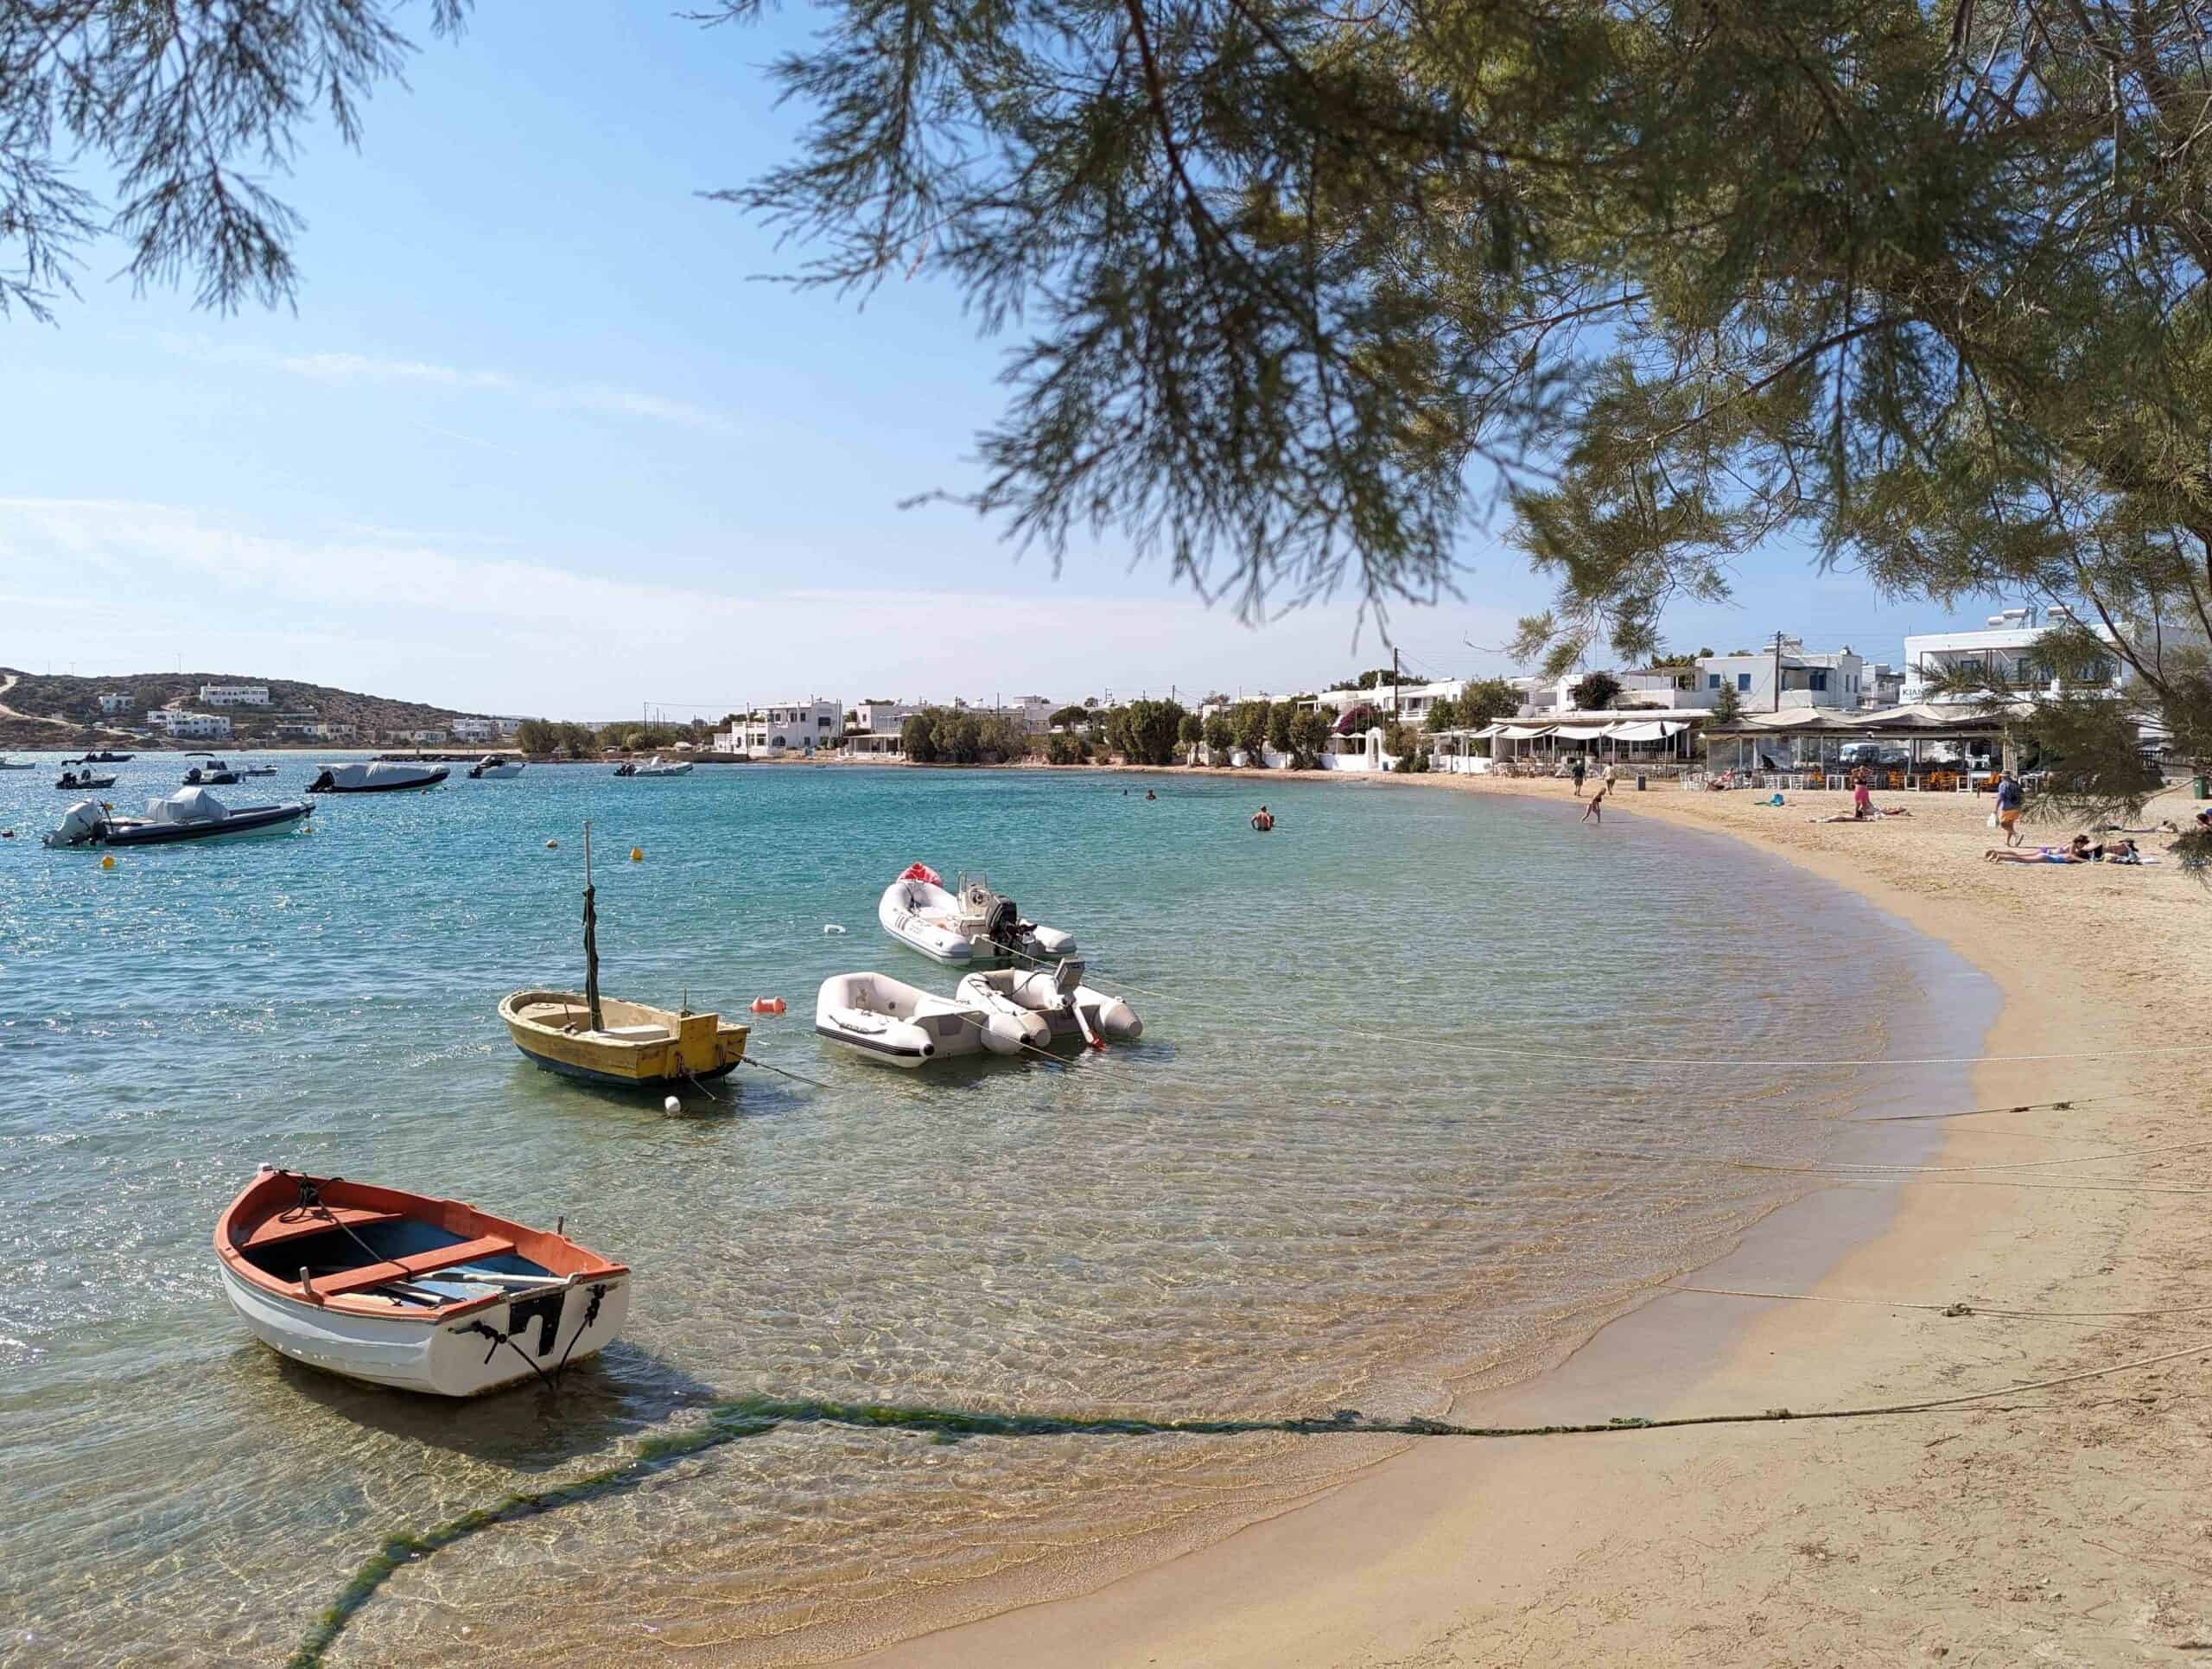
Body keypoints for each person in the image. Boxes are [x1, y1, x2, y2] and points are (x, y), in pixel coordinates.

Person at [1994, 771, 2025, 845]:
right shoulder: (2016, 783)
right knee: (2010, 825)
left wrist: (1996, 809)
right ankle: (2008, 842)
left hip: (2006, 807)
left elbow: (2000, 797)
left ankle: (2016, 835)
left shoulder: (2003, 785)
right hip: (2017, 806)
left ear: (2004, 777)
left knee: (2003, 824)